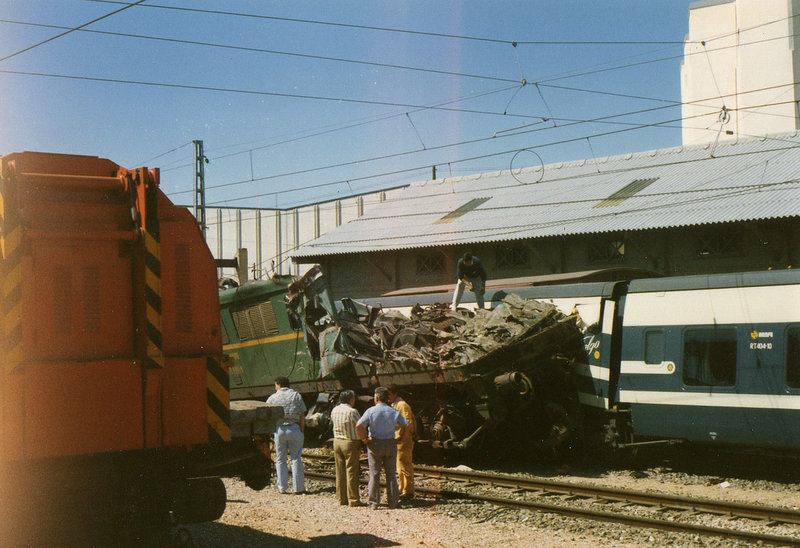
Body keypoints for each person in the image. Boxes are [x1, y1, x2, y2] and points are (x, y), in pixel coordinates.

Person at [356, 386, 407, 510]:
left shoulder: (370, 411)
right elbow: (405, 425)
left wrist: (364, 440)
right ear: (387, 398)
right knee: (391, 473)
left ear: (376, 398)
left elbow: (359, 426)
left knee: (374, 473)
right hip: (390, 444)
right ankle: (393, 502)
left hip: (375, 444)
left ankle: (374, 503)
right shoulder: (394, 411)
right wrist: (400, 439)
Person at [265, 376, 306, 494]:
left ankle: (282, 488)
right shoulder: (296, 396)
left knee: (280, 459)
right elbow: (302, 415)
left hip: (279, 430)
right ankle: (298, 488)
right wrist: (302, 431)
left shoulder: (272, 398)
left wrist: (270, 432)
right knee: (296, 458)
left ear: (278, 384)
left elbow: (268, 417)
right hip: (294, 428)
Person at [330, 390, 363, 507]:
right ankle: (353, 499)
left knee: (340, 471)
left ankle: (341, 499)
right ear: (350, 399)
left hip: (337, 441)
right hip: (350, 442)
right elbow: (360, 425)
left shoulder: (335, 410)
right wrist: (364, 439)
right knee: (352, 471)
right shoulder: (352, 411)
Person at [388, 384, 415, 501]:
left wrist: (403, 439)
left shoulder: (402, 405)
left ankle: (408, 491)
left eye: (388, 394)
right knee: (400, 466)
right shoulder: (395, 404)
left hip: (403, 439)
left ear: (394, 394)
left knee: (405, 465)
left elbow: (407, 424)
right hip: (398, 439)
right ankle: (402, 489)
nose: (387, 397)